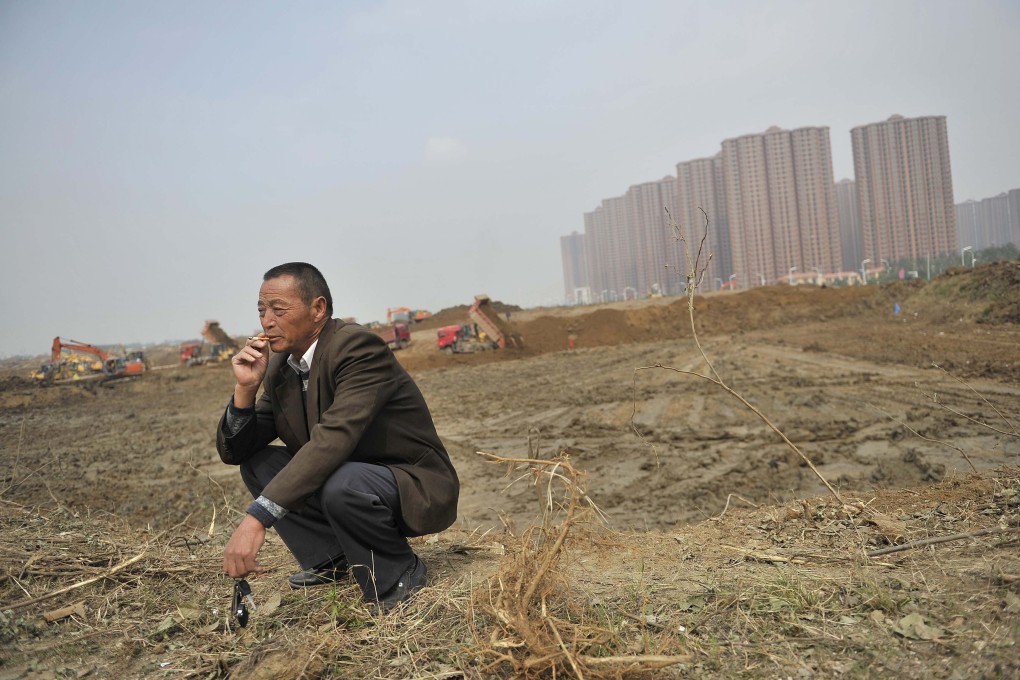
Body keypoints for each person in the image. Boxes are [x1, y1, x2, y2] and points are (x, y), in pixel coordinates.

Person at [217, 262, 459, 614]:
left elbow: (333, 439)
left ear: (318, 309)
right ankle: (333, 559)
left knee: (343, 481)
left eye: (279, 309)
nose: (266, 321)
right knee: (260, 464)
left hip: (411, 484)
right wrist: (244, 390)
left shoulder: (356, 348)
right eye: (262, 310)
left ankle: (397, 574)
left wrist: (257, 518)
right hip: (347, 479)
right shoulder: (280, 366)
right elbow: (237, 451)